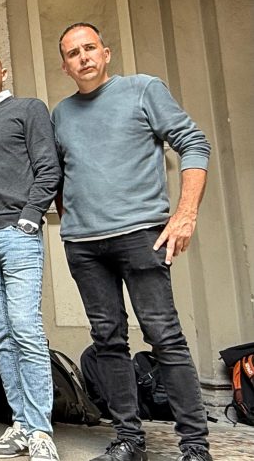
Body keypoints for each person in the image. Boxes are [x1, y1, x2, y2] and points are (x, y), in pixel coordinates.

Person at [53, 23, 213, 461]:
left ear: (105, 53)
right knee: (107, 340)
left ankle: (195, 447)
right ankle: (128, 440)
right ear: (64, 66)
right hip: (85, 247)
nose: (82, 57)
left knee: (165, 337)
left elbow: (194, 143)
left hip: (141, 235)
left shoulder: (143, 89)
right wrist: (74, 223)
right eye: (72, 53)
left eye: (89, 48)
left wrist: (185, 214)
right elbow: (59, 176)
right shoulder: (61, 113)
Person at [0, 52, 61, 461]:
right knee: (0, 335)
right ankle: (20, 423)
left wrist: (30, 218)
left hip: (17, 234)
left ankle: (41, 431)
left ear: (4, 72)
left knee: (26, 330)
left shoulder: (28, 109)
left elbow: (48, 168)